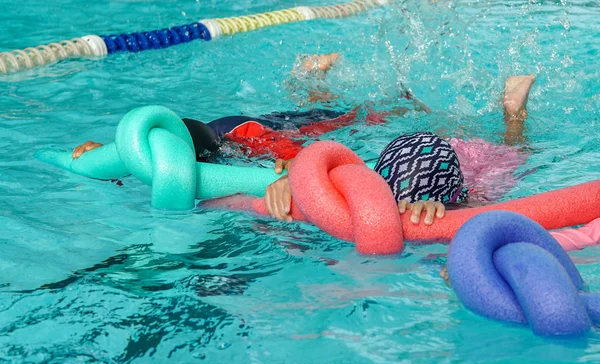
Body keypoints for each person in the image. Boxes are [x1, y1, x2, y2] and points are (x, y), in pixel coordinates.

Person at [264, 74, 536, 224]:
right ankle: (513, 114)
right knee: (512, 145)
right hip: (428, 157)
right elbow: (344, 177)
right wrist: (297, 179)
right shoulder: (382, 184)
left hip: (448, 162)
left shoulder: (477, 191)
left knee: (512, 149)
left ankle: (513, 114)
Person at [72, 53, 430, 162]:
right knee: (311, 112)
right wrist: (104, 153)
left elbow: (294, 156)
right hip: (256, 122)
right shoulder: (185, 145)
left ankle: (401, 102)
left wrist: (287, 168)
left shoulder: (244, 140)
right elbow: (141, 151)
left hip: (267, 128)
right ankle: (314, 79)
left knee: (351, 118)